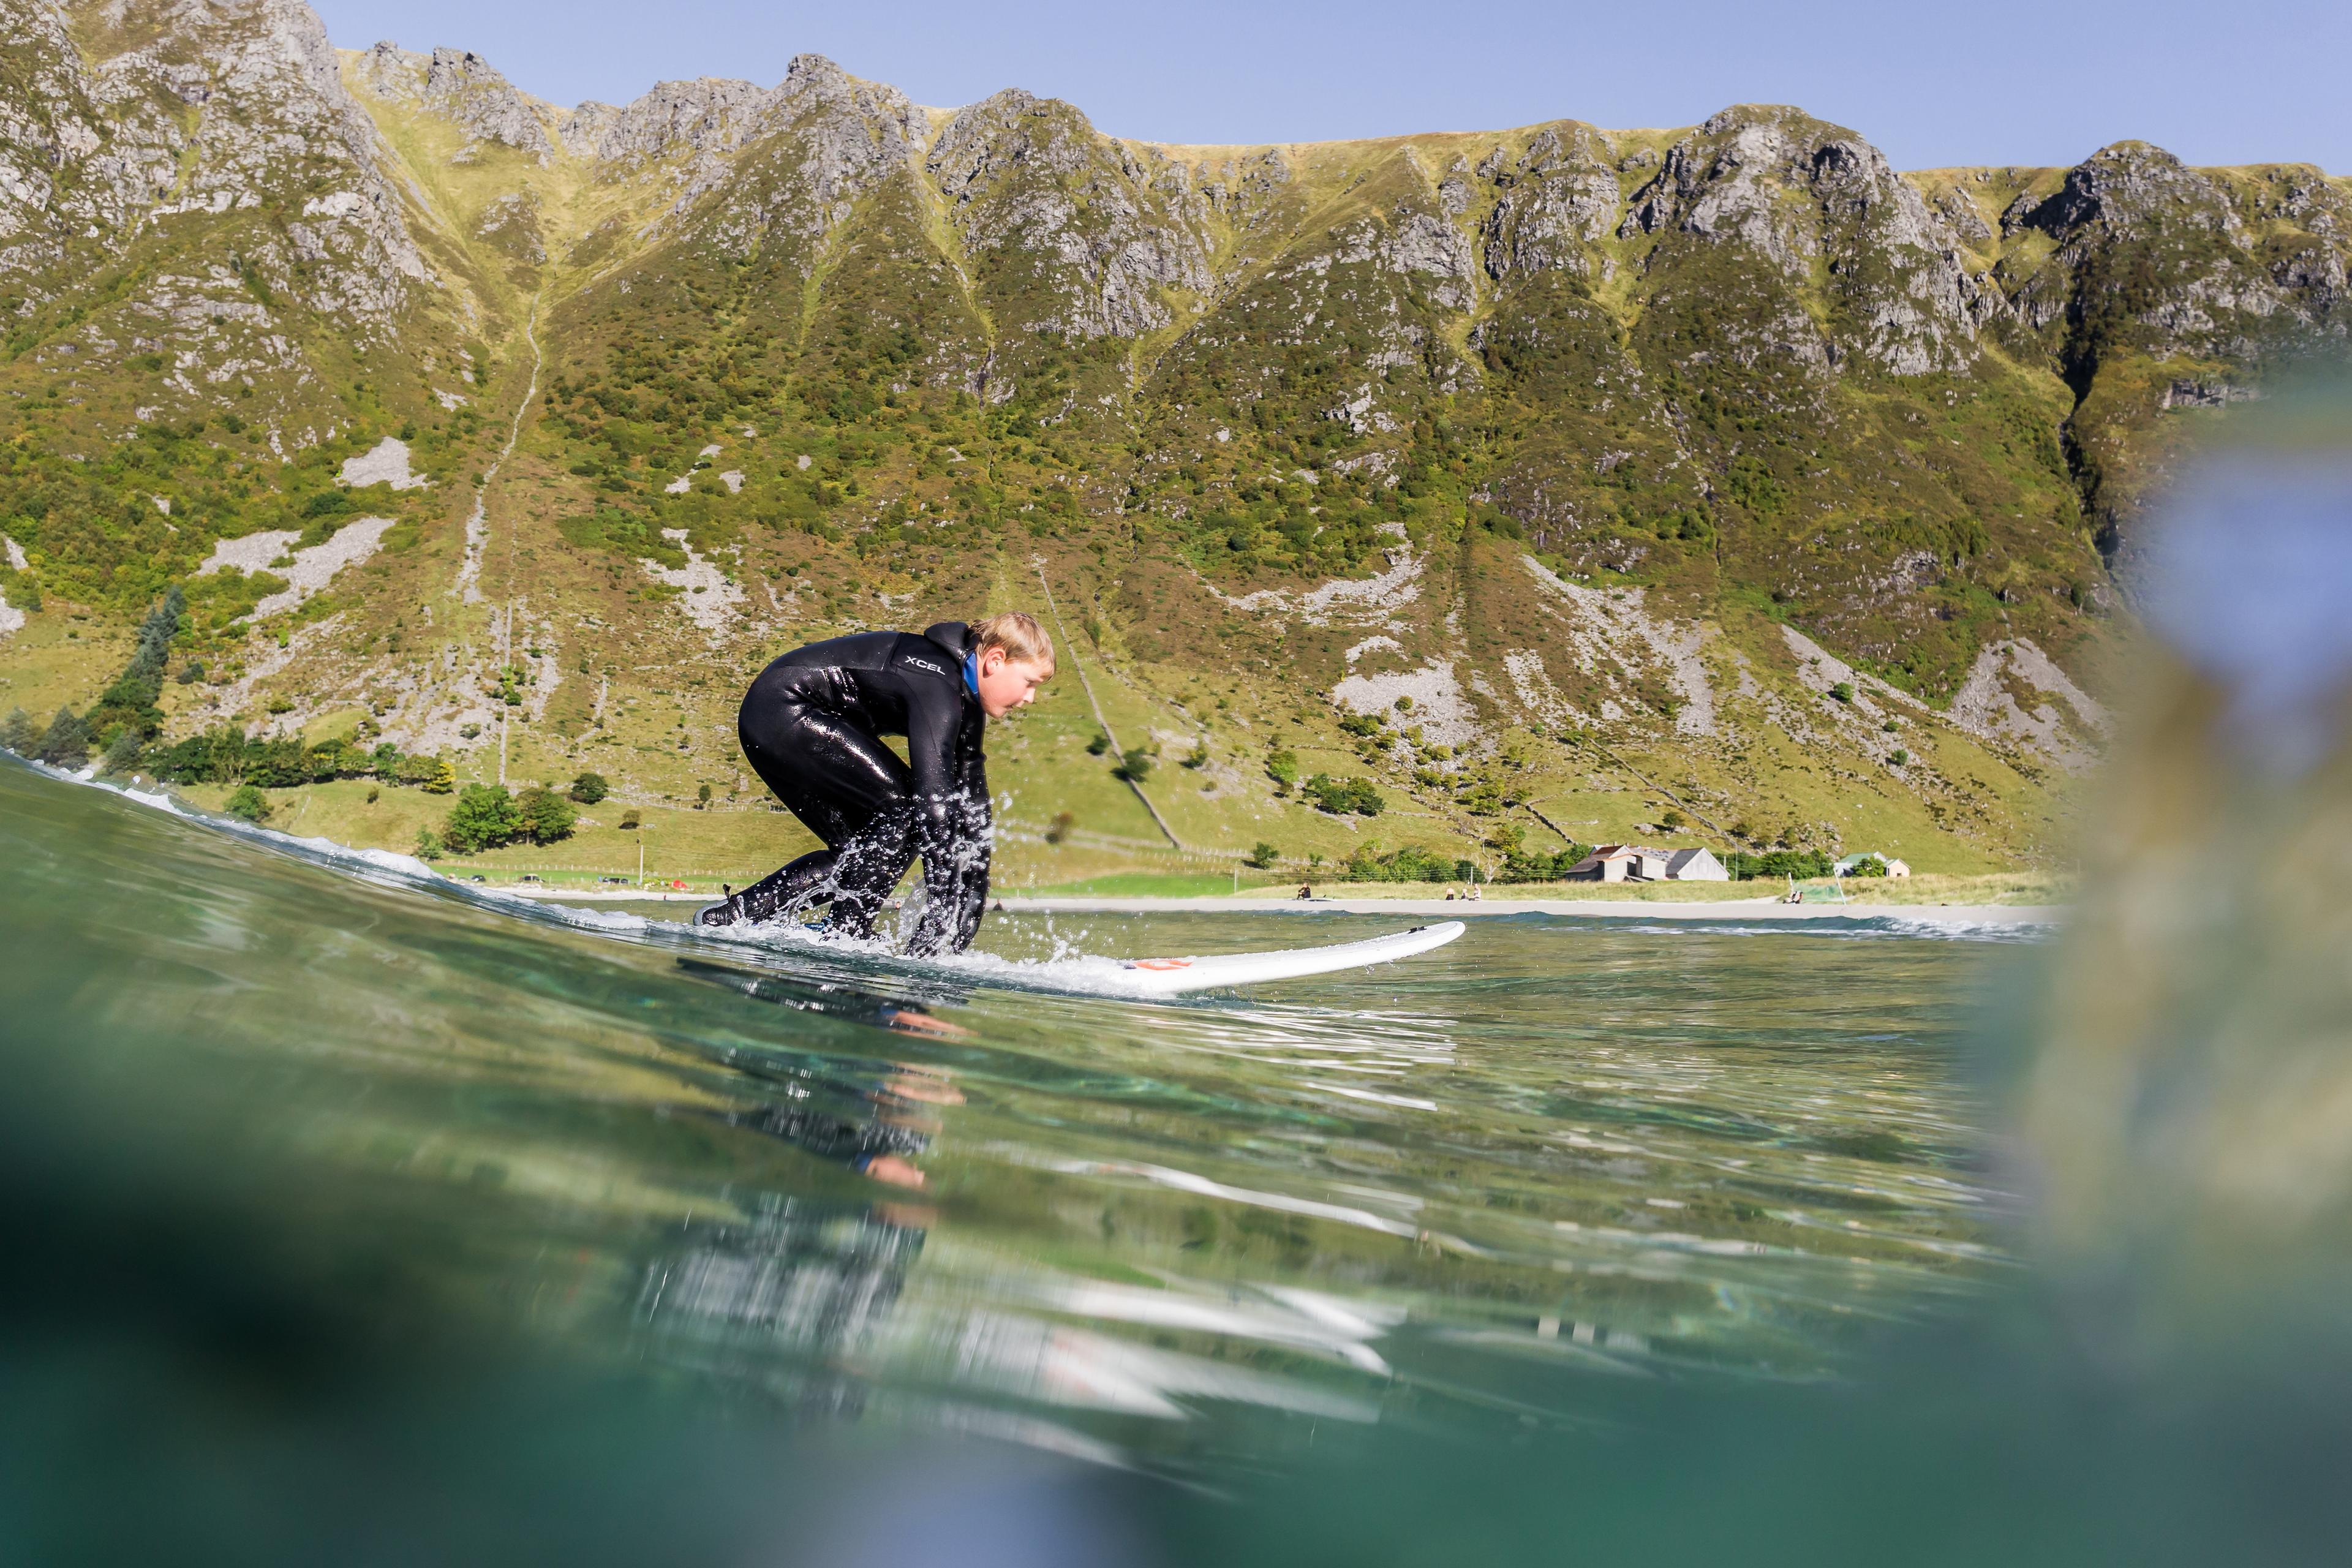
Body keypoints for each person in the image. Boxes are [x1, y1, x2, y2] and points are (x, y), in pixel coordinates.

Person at [695, 612, 1055, 954]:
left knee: (861, 850)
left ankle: (733, 918)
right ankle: (844, 931)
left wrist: (971, 904)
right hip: (782, 708)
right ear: (995, 660)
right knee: (905, 812)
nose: (1030, 698)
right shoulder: (937, 682)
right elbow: (933, 799)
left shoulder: (964, 700)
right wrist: (941, 908)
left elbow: (973, 805)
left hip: (779, 718)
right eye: (1029, 683)